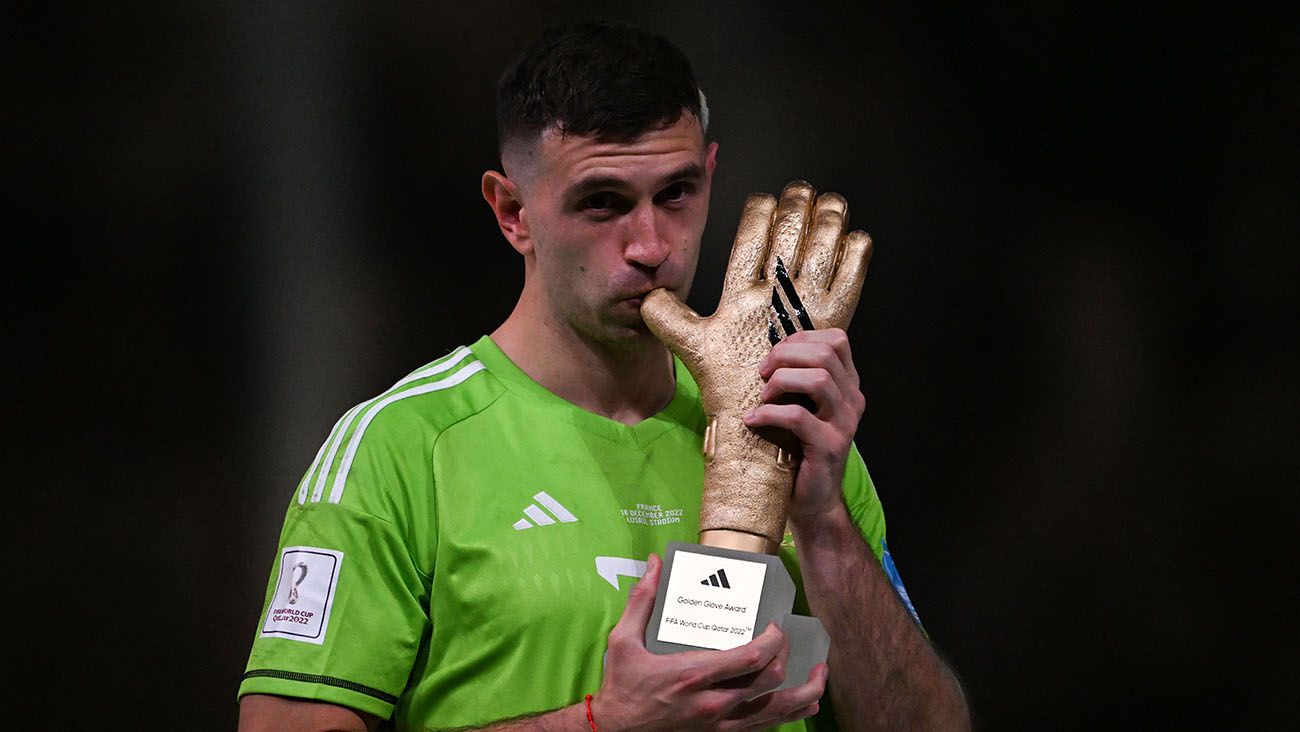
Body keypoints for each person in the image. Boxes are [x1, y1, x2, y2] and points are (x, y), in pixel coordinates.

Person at [237, 22, 969, 732]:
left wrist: (825, 525)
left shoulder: (791, 429)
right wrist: (606, 722)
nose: (651, 247)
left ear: (712, 174)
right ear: (513, 211)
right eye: (603, 202)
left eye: (676, 194)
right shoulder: (400, 449)